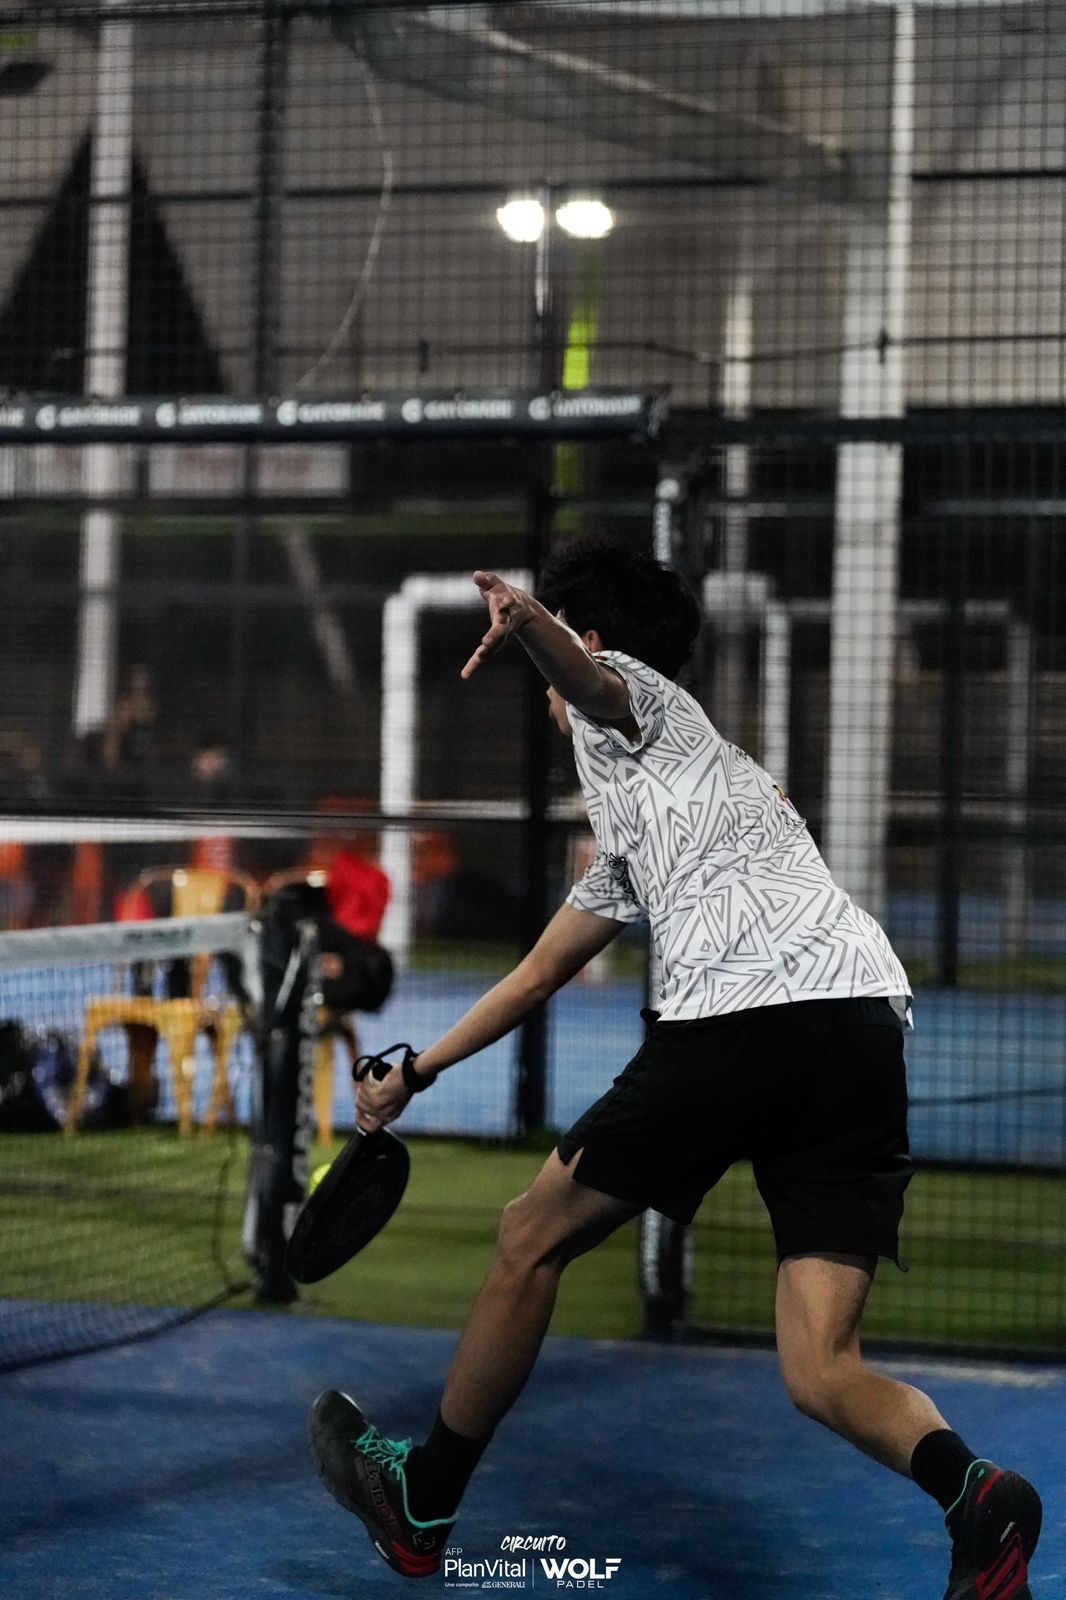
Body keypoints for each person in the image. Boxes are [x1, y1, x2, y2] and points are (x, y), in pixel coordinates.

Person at [308, 544, 1043, 1598]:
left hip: (743, 1017)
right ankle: (977, 1495)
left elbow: (594, 681)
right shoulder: (665, 801)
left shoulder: (642, 704)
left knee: (528, 1237)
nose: (548, 689)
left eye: (561, 644)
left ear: (588, 638)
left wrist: (526, 621)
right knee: (820, 1367)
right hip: (862, 1022)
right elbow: (536, 974)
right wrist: (415, 1071)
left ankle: (420, 1505)